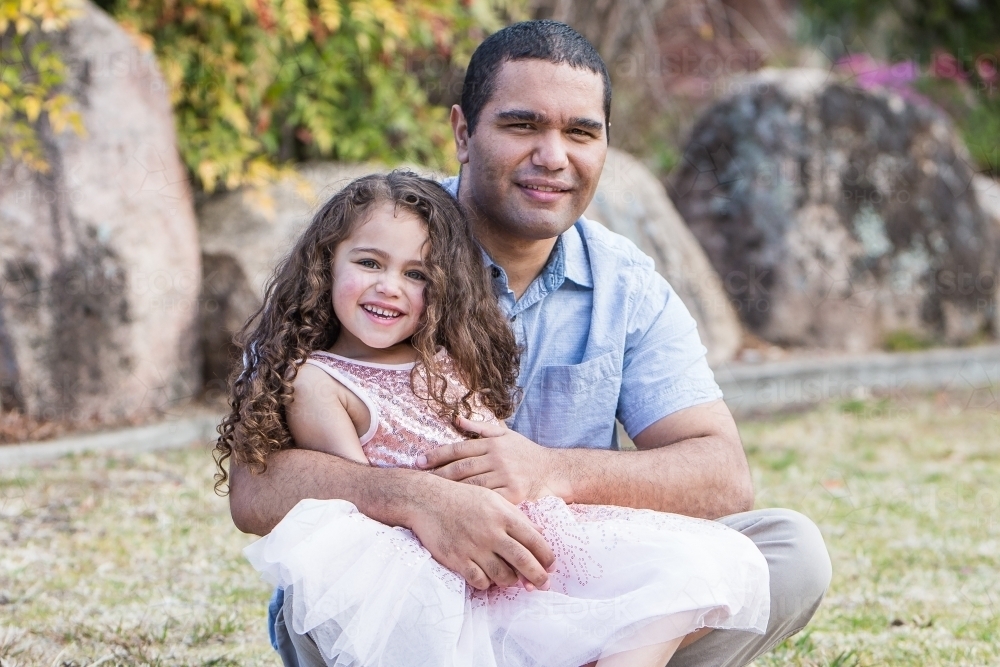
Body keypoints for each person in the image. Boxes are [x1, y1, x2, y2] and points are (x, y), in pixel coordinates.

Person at [223, 20, 832, 667]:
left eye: (579, 132)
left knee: (787, 552)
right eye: (522, 125)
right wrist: (418, 499)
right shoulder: (382, 249)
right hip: (409, 588)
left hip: (563, 577)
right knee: (325, 579)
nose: (553, 156)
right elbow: (255, 489)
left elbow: (722, 474)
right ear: (462, 132)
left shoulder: (625, 285)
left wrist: (552, 469)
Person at [225, 170, 771, 666]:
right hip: (421, 563)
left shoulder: (439, 355)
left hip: (522, 524)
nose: (389, 286)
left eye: (415, 274)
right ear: (326, 264)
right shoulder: (313, 378)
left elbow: (487, 434)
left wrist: (532, 480)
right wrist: (436, 513)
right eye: (369, 263)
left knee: (688, 574)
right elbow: (353, 506)